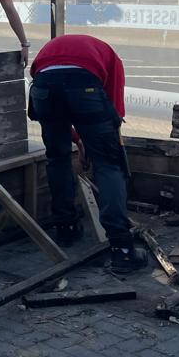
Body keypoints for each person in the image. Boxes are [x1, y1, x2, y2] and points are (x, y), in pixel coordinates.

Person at [28, 34, 148, 274]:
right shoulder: (111, 58)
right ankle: (122, 250)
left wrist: (79, 140)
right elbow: (113, 109)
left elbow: (56, 99)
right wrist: (96, 144)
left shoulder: (54, 49)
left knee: (57, 158)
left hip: (43, 87)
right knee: (109, 164)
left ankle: (66, 229)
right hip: (83, 85)